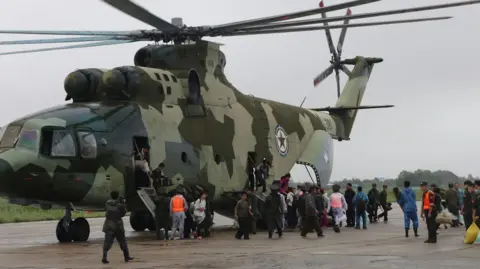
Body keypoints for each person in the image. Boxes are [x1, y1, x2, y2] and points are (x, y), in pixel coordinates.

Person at [101, 191, 134, 264]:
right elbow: (123, 214)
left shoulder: (107, 204)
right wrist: (123, 203)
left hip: (109, 225)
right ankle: (126, 257)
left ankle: (104, 257)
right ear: (117, 196)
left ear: (111, 196)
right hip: (118, 225)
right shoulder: (120, 205)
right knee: (123, 242)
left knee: (107, 243)